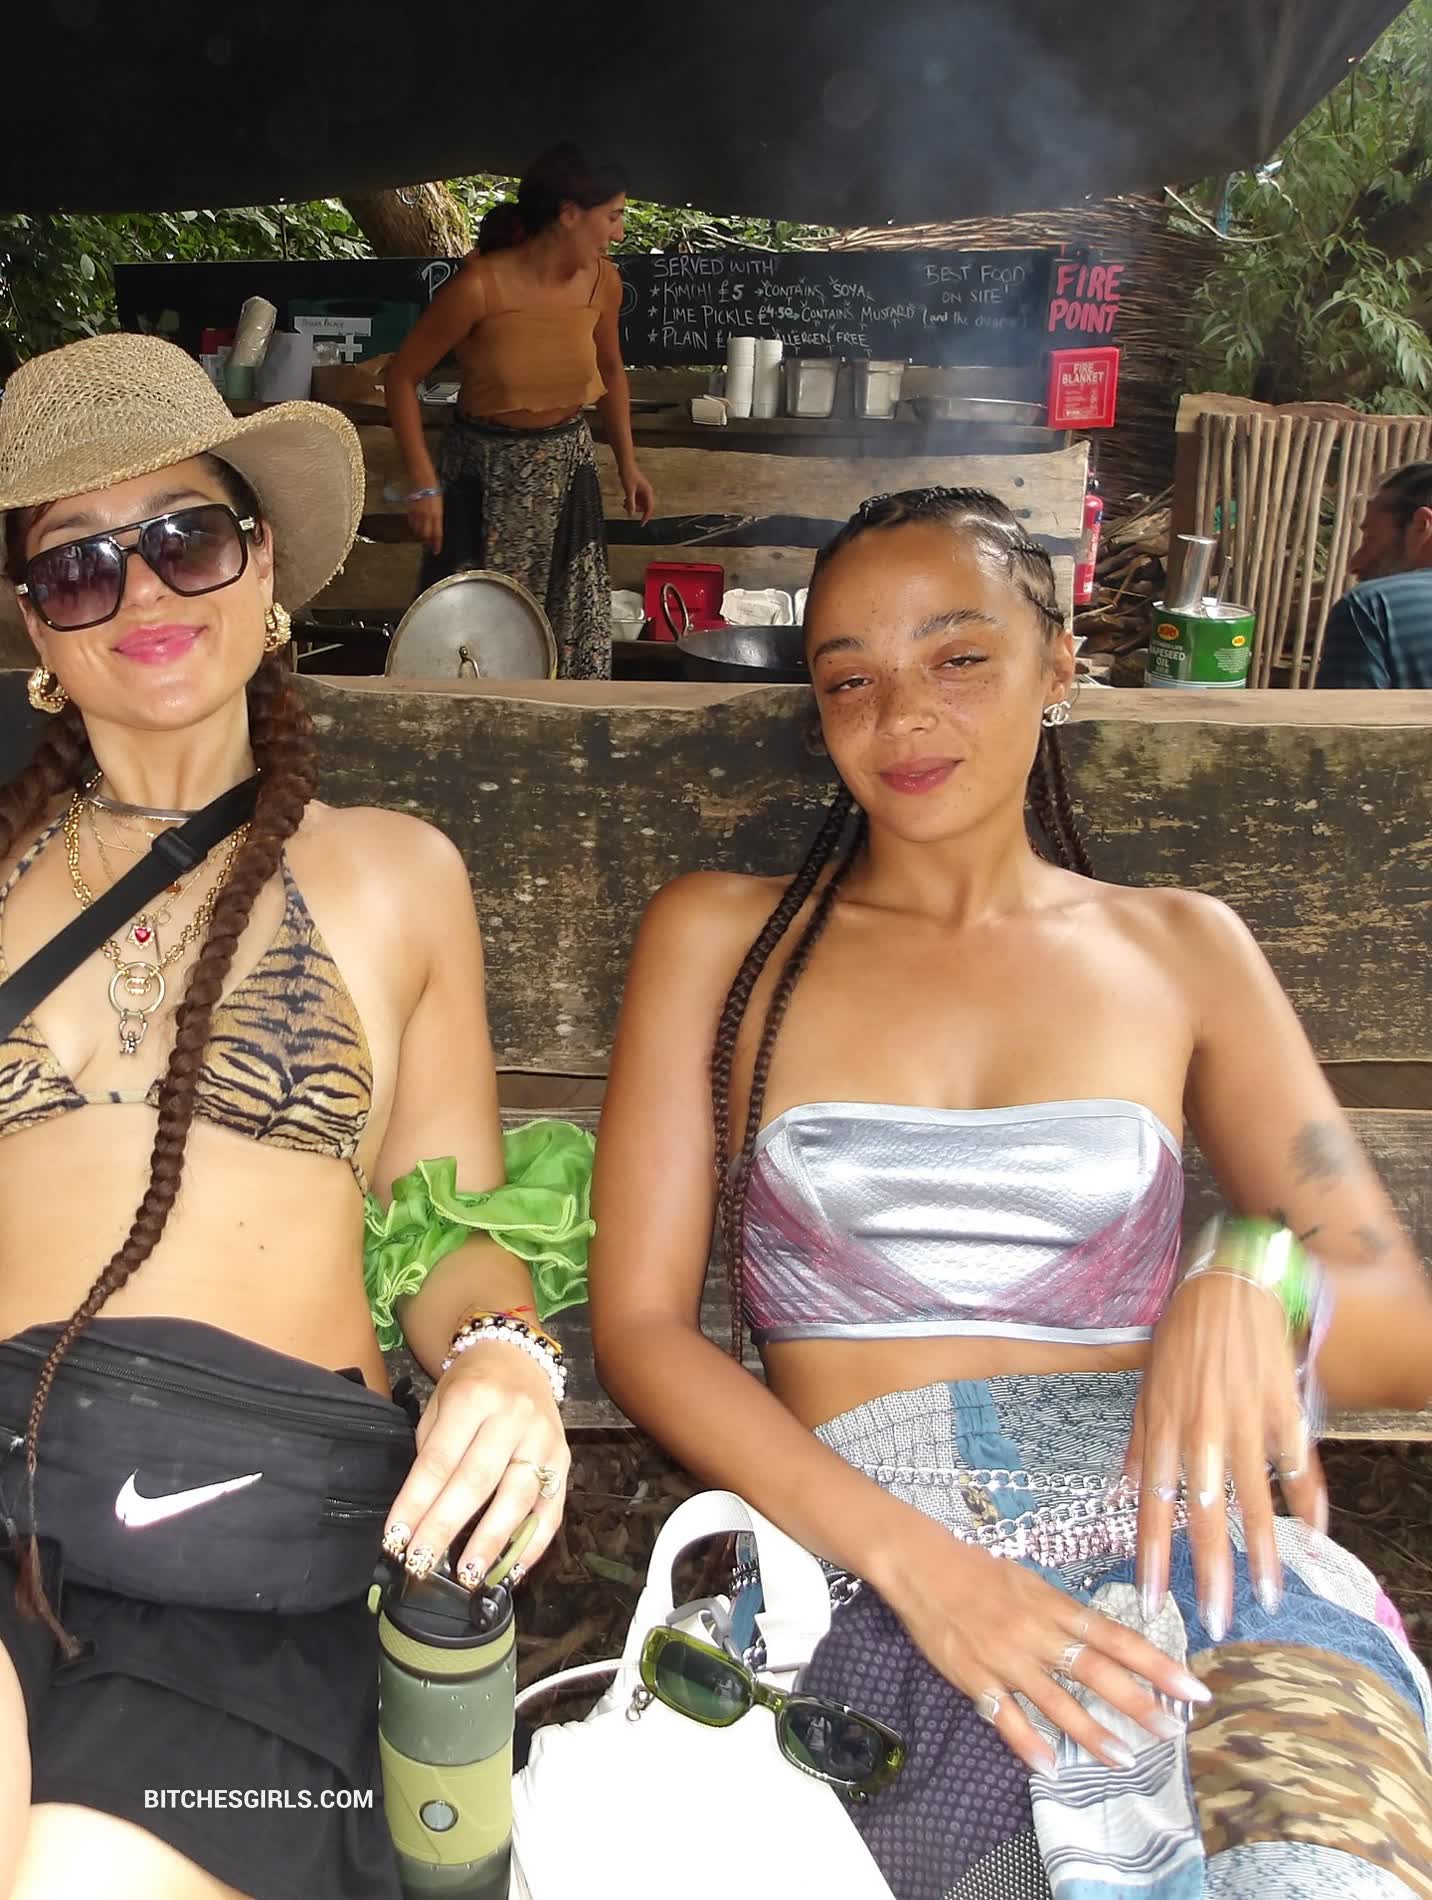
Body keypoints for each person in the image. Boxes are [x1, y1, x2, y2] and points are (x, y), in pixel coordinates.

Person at [589, 487, 1432, 1897]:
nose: (902, 716)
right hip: (861, 1567)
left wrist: (1249, 1268)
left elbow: (1394, 1312)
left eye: (959, 657)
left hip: (1189, 1552)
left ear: (1060, 665)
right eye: (850, 680)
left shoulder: (1181, 949)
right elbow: (641, 1329)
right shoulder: (720, 939)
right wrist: (923, 1568)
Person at [0, 332, 592, 1900]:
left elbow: (453, 1235)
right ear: (35, 629)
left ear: (263, 566)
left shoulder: (394, 874)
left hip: (259, 1561)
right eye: (77, 566)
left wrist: (507, 1365)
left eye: (185, 539)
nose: (141, 592)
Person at [385, 142, 655, 680]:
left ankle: (569, 727)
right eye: (612, 216)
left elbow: (612, 371)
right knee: (476, 635)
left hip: (566, 470)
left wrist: (629, 464)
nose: (619, 233)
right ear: (570, 213)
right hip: (483, 475)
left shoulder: (603, 282)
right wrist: (423, 484)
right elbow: (401, 377)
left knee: (572, 627)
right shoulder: (479, 286)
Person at [1317, 461, 1432, 688]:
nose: (1354, 565)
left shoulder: (1372, 607)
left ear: (1421, 525)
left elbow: (1346, 712)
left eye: (1370, 539)